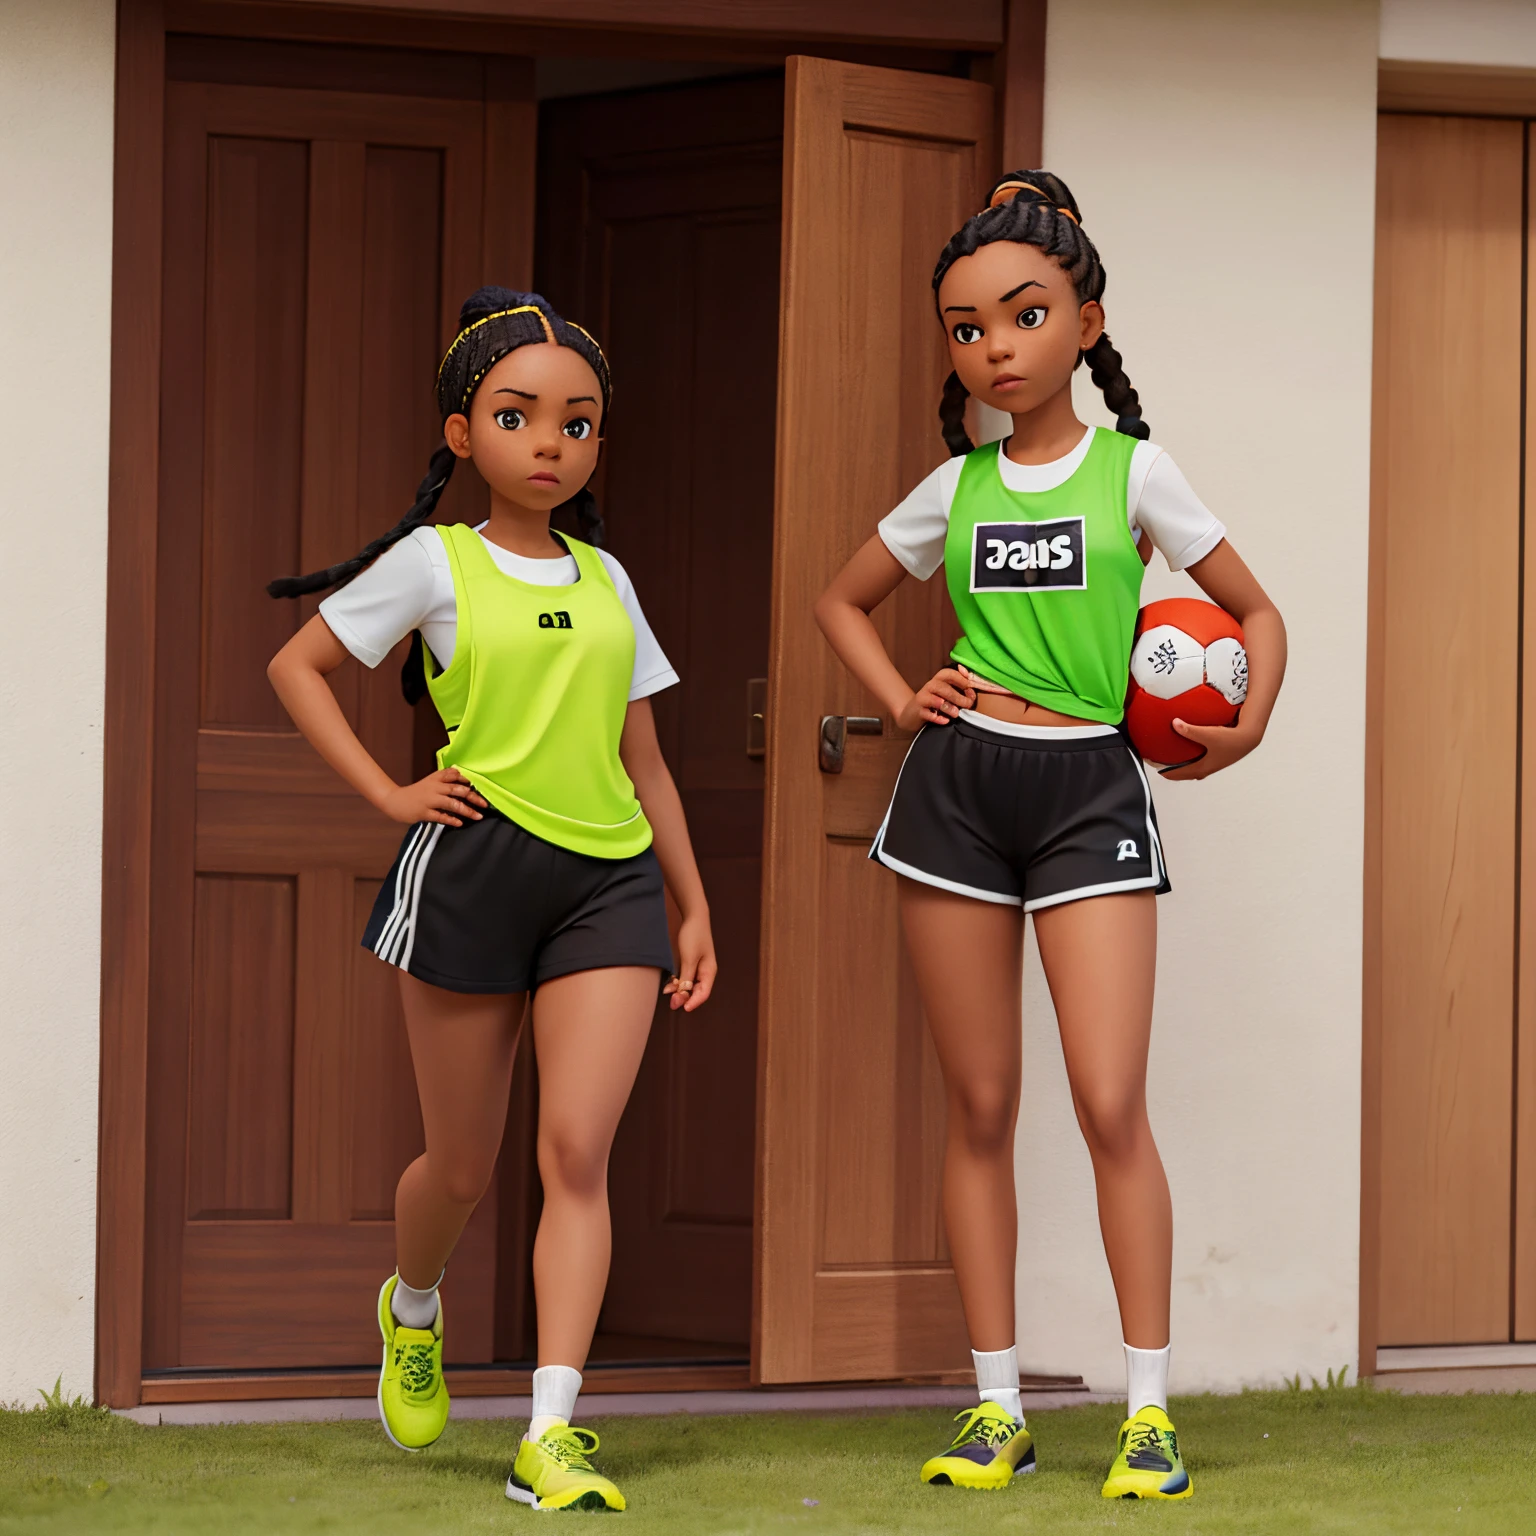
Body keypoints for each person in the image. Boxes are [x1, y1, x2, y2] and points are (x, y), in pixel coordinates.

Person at [814, 172, 1286, 1501]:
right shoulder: (951, 490)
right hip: (956, 796)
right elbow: (840, 600)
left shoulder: (1139, 473)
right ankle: (995, 1406)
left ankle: (1145, 1414)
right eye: (966, 329)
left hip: (1088, 791)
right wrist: (905, 697)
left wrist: (1241, 731)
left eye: (1020, 317)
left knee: (1108, 1100)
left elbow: (1258, 618)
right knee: (979, 1107)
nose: (993, 349)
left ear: (1085, 322)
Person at [267, 287, 716, 1513]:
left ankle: (552, 1432)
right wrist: (389, 794)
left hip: (608, 885)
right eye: (518, 417)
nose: (550, 443)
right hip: (473, 872)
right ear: (464, 434)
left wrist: (692, 904)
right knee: (462, 1166)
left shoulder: (611, 581)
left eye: (576, 423)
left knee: (577, 1153)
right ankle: (413, 1306)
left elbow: (648, 762)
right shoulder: (434, 561)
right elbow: (298, 667)